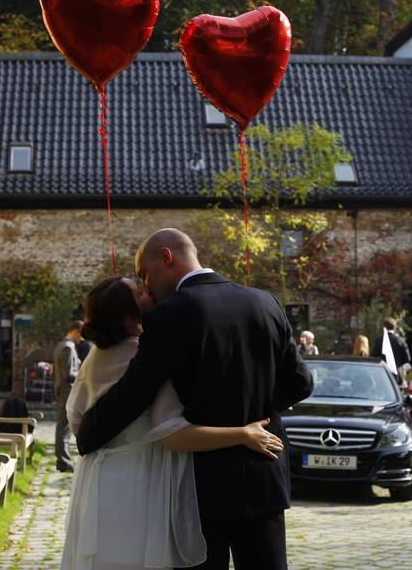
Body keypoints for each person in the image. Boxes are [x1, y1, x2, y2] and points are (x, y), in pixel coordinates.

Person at [75, 229, 314, 570]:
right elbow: (302, 383)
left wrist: (89, 434)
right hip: (265, 467)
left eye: (145, 274)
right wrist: (253, 409)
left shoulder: (168, 315)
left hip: (201, 483)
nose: (147, 287)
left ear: (166, 259)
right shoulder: (266, 301)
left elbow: (136, 391)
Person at [54, 321, 83, 473]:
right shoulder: (68, 347)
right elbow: (68, 375)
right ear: (75, 332)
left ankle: (62, 460)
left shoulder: (61, 345)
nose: (80, 340)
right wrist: (84, 374)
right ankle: (63, 460)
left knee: (63, 427)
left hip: (63, 391)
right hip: (67, 391)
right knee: (64, 428)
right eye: (80, 337)